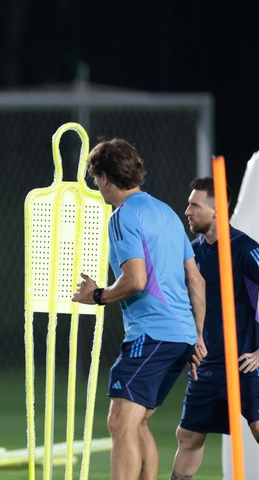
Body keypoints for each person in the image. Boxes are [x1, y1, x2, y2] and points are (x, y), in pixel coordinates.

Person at [71, 138, 206, 480]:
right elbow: (196, 281)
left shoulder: (121, 217)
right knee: (135, 422)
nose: (96, 185)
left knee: (119, 421)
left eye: (95, 178)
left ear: (103, 177)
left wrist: (97, 295)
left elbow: (135, 280)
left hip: (152, 335)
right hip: (180, 336)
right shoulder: (166, 212)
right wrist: (198, 336)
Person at [170, 177, 259, 479]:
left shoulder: (245, 249)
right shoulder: (191, 255)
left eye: (195, 205)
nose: (188, 211)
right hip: (206, 366)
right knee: (189, 436)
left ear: (217, 209)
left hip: (243, 364)